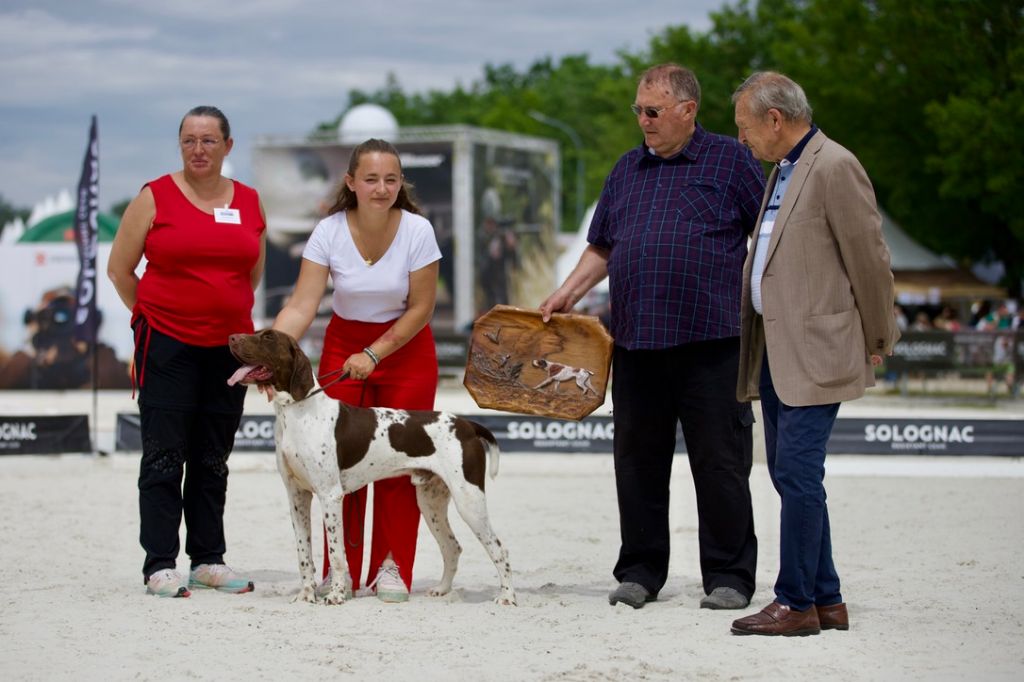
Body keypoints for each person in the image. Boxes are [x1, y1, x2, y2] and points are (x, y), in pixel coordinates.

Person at [540, 63, 765, 611]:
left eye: (653, 110)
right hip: (637, 343)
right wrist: (566, 292)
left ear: (688, 110)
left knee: (720, 463)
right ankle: (640, 570)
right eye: (638, 110)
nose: (643, 120)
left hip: (713, 343)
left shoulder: (731, 160)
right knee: (637, 463)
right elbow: (602, 246)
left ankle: (729, 577)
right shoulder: (626, 168)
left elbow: (768, 232)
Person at [729, 72, 900, 636]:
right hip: (777, 350)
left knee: (799, 476)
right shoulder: (783, 169)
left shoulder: (833, 165)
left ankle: (795, 603)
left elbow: (869, 260)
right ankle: (828, 600)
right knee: (787, 474)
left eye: (745, 128)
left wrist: (879, 338)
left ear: (775, 119)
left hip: (818, 350)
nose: (742, 141)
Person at [271, 138, 441, 603]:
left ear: (400, 183)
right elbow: (302, 304)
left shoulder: (418, 230)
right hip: (342, 347)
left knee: (395, 464)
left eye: (391, 179)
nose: (381, 188)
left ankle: (393, 567)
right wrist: (271, 357)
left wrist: (376, 353)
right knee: (335, 464)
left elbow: (422, 309)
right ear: (351, 182)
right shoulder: (327, 231)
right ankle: (338, 570)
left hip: (404, 350)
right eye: (371, 179)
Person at [107, 105, 266, 598]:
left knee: (212, 458)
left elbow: (250, 273)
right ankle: (159, 563)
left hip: (228, 350)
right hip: (168, 345)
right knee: (163, 455)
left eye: (209, 140)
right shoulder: (154, 197)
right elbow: (119, 270)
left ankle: (208, 559)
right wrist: (150, 318)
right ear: (180, 146)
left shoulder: (249, 200)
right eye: (189, 141)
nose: (199, 150)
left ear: (228, 146)